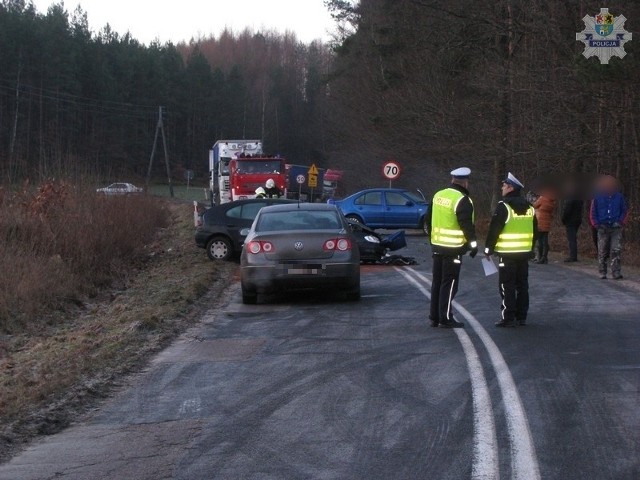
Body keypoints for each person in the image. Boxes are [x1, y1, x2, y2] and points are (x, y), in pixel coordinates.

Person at [425, 167, 478, 328]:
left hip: (437, 246)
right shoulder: (462, 200)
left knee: (437, 281)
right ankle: (445, 317)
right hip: (453, 249)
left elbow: (428, 219)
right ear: (466, 182)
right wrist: (473, 245)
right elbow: (466, 225)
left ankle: (434, 316)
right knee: (449, 283)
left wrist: (433, 240)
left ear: (452, 180)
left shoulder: (438, 195)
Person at [484, 173, 536, 327]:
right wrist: (531, 249)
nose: (502, 187)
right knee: (522, 285)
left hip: (507, 255)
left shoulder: (504, 206)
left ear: (511, 188)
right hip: (524, 254)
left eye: (504, 185)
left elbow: (494, 230)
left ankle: (508, 316)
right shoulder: (529, 208)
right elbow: (535, 231)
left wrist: (488, 249)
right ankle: (522, 316)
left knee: (507, 285)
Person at [590, 175, 628, 279]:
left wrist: (620, 222)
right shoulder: (597, 197)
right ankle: (602, 271)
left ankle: (616, 271)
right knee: (602, 250)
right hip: (603, 227)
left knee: (616, 249)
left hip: (616, 227)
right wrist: (596, 224)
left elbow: (624, 211)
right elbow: (593, 213)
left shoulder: (619, 197)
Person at [561, 180, 584, 262]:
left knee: (571, 239)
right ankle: (573, 255)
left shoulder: (570, 198)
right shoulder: (579, 198)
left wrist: (563, 219)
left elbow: (567, 210)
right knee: (573, 238)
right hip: (577, 220)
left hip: (570, 221)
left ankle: (573, 256)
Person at [532, 186, 556, 264]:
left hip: (540, 221)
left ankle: (540, 257)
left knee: (540, 240)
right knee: (545, 240)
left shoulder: (542, 198)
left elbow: (534, 205)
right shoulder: (552, 201)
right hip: (547, 222)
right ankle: (545, 257)